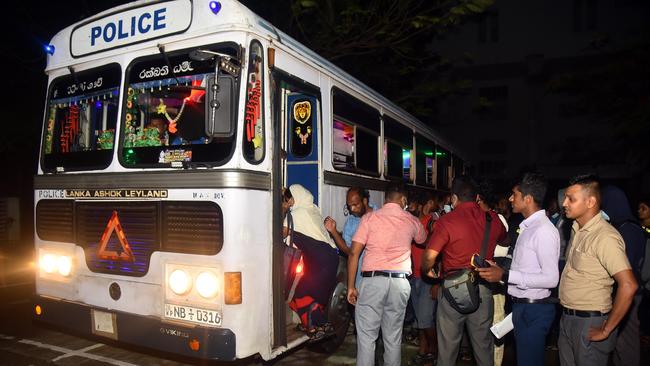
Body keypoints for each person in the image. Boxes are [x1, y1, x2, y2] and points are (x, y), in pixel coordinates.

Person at [421, 175, 506, 366]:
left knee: (448, 350)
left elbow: (429, 257)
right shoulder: (492, 219)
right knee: (484, 347)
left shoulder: (447, 221)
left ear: (453, 198)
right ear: (477, 197)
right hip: (483, 286)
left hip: (452, 288)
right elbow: (505, 240)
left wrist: (428, 271)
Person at [477, 172, 560, 366]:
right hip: (522, 306)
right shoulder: (528, 227)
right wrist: (499, 268)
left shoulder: (544, 230)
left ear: (528, 199)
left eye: (515, 195)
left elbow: (551, 278)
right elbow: (527, 267)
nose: (510, 199)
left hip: (535, 309)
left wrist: (505, 275)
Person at [558, 174, 638, 366]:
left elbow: (628, 285)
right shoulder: (577, 229)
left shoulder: (605, 237)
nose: (564, 203)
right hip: (567, 318)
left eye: (571, 199)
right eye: (565, 198)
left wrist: (606, 329)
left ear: (590, 202)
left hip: (589, 322)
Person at [347, 183, 427, 366]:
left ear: (385, 199)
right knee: (393, 338)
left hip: (373, 282)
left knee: (367, 338)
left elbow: (354, 253)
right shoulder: (411, 220)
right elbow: (423, 239)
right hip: (399, 284)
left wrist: (351, 286)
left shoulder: (370, 219)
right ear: (404, 201)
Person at [282, 184, 339, 341]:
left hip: (320, 261)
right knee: (311, 292)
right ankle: (309, 322)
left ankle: (319, 326)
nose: (288, 203)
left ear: (296, 197)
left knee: (301, 292)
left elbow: (280, 231)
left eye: (288, 200)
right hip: (329, 257)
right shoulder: (312, 209)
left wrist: (282, 208)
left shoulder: (296, 214)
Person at [601, 186, 646, 366]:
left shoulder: (627, 230)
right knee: (619, 343)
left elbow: (625, 265)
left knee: (626, 344)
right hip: (627, 291)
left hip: (628, 293)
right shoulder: (626, 226)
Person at [408, 192, 440, 366]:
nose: (408, 209)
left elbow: (439, 250)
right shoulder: (410, 223)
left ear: (419, 206)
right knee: (420, 319)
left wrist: (436, 282)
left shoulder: (431, 222)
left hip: (427, 278)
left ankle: (435, 352)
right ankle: (423, 351)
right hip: (413, 276)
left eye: (411, 206)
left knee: (426, 318)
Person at [324, 187, 376, 288]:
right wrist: (333, 231)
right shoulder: (351, 222)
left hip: (380, 280)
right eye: (349, 206)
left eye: (355, 205)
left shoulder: (380, 215)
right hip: (360, 282)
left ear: (364, 201)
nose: (352, 209)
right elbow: (349, 251)